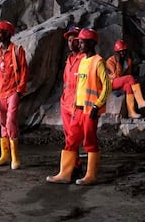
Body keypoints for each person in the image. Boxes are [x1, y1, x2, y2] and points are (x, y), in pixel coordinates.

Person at [46, 28, 111, 186]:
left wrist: (97, 106)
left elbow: (107, 86)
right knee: (71, 140)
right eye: (79, 41)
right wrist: (74, 105)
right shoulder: (82, 62)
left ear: (91, 43)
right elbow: (79, 86)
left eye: (82, 42)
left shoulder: (98, 61)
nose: (79, 44)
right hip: (78, 109)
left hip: (90, 111)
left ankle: (91, 175)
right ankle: (65, 174)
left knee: (89, 141)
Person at [0, 20, 29, 170]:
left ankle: (15, 158)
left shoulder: (17, 50)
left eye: (0, 32)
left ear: (7, 34)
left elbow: (24, 71)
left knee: (11, 120)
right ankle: (5, 156)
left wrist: (19, 90)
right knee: (3, 122)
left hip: (13, 92)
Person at [60, 26, 85, 179]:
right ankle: (76, 166)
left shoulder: (85, 59)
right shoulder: (69, 59)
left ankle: (66, 171)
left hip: (77, 104)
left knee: (73, 138)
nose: (71, 43)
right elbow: (66, 81)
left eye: (74, 40)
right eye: (69, 40)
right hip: (65, 103)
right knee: (68, 135)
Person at [106, 39, 145, 119]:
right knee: (129, 78)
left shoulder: (128, 61)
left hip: (122, 82)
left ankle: (131, 112)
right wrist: (118, 62)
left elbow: (128, 74)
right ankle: (140, 101)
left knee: (128, 86)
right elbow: (115, 76)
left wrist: (133, 81)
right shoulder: (110, 61)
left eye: (124, 51)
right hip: (112, 82)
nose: (123, 53)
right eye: (120, 51)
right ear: (116, 52)